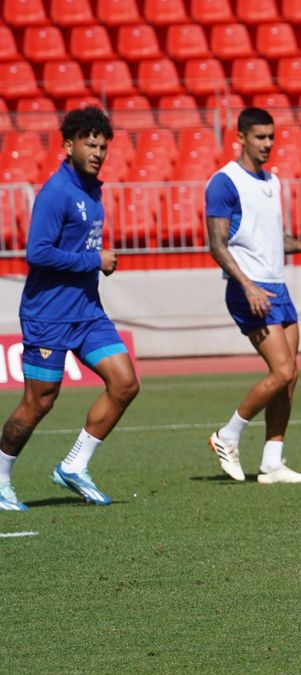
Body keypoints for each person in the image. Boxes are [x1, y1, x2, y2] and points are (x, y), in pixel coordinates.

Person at [0, 106, 137, 511]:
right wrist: (94, 261)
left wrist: (92, 262)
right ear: (68, 145)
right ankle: (1, 476)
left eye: (102, 146)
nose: (97, 152)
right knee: (39, 401)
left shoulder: (94, 188)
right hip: (48, 316)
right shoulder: (56, 192)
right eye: (89, 144)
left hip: (87, 312)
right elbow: (37, 252)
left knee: (125, 383)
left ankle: (74, 466)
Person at [203, 107, 301, 484]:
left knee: (291, 376)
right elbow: (217, 245)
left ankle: (272, 461)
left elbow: (270, 241)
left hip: (277, 287)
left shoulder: (272, 181)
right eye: (259, 137)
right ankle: (227, 434)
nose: (267, 144)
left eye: (271, 137)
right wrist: (246, 285)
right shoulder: (224, 182)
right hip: (250, 290)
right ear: (240, 137)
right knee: (283, 370)